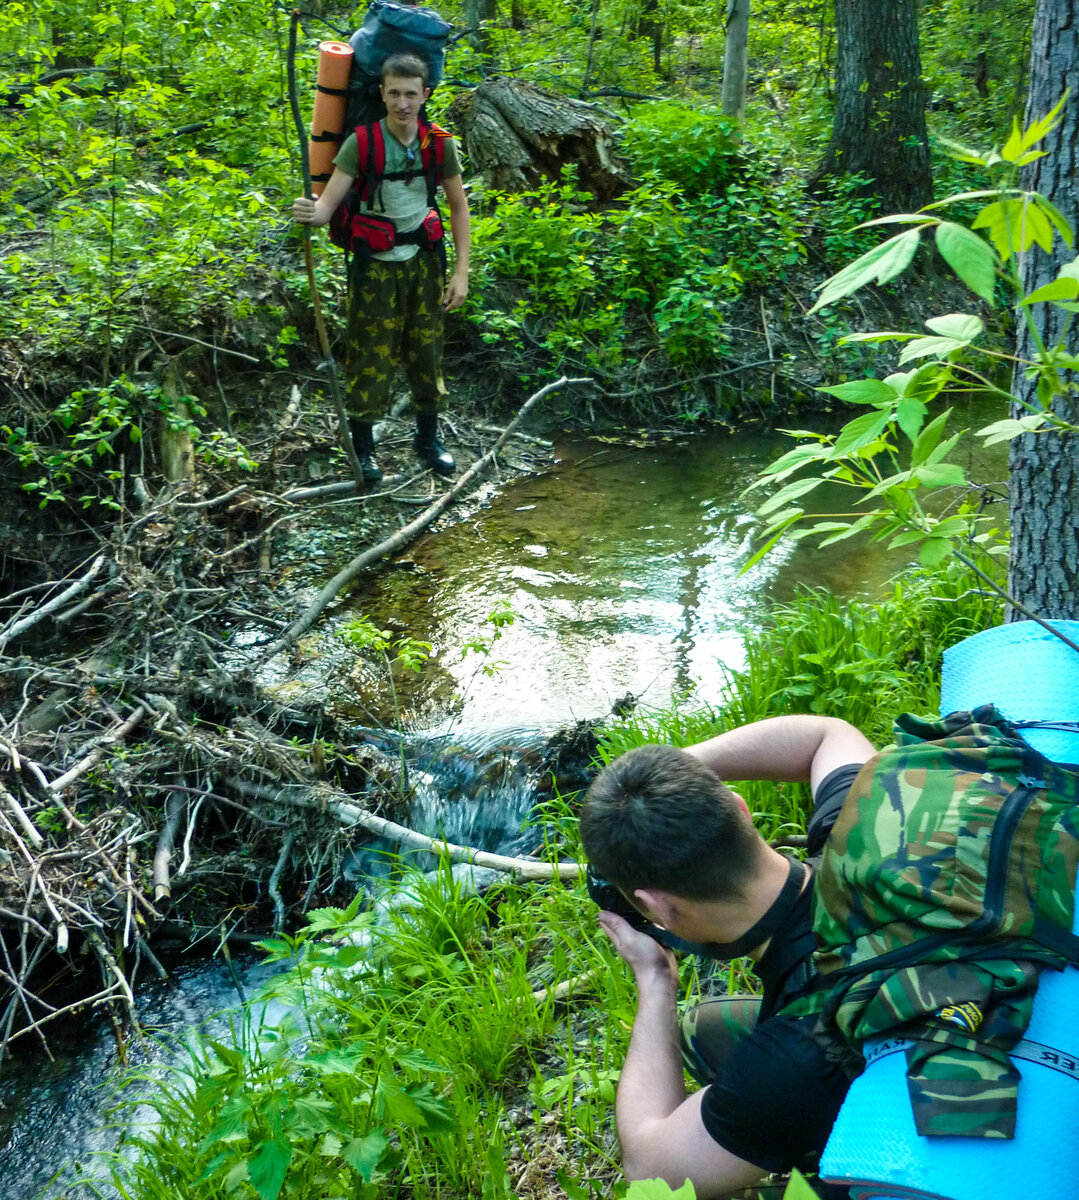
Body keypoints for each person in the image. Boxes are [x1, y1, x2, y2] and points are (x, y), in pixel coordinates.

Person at [580, 714, 876, 1199]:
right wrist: (672, 782)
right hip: (992, 1006)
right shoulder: (864, 831)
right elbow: (827, 733)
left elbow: (650, 1174)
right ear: (740, 810)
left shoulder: (790, 1058)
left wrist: (655, 982)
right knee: (702, 1030)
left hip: (973, 1155)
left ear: (656, 907)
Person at [293, 53, 470, 484]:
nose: (403, 103)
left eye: (411, 94)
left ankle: (429, 441)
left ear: (426, 94)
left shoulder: (439, 143)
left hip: (426, 263)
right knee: (370, 355)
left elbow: (458, 205)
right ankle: (364, 448)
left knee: (426, 353)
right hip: (374, 267)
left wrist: (461, 271)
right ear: (382, 93)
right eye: (394, 93)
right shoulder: (362, 142)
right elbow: (329, 204)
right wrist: (310, 212)